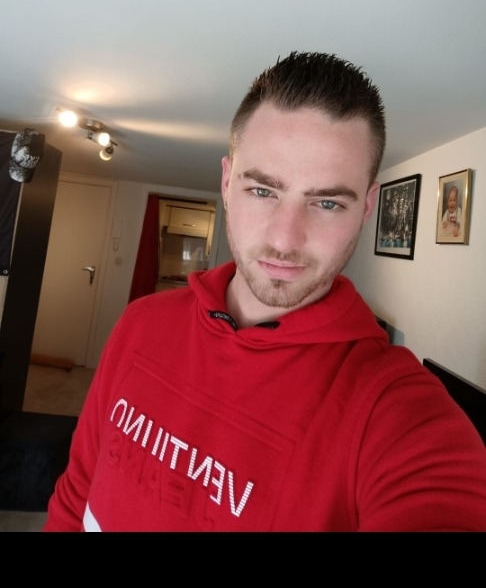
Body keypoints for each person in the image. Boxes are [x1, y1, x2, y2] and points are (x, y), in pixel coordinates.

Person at [44, 52, 486, 532]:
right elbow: (76, 492)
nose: (285, 238)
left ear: (366, 208)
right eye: (263, 191)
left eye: (327, 202)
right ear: (227, 182)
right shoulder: (141, 321)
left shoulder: (394, 410)